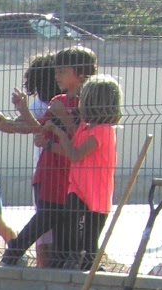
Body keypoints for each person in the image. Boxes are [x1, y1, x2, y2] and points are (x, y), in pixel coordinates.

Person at [0, 45, 97, 268]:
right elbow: (40, 128)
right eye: (56, 71)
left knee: (61, 226)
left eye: (62, 71)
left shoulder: (89, 105)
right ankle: (13, 256)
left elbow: (80, 141)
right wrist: (23, 112)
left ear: (81, 74)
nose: (57, 76)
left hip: (73, 177)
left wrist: (59, 123)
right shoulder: (58, 101)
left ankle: (69, 264)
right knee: (47, 218)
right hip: (51, 172)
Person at [41, 74, 121, 270]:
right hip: (77, 187)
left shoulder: (103, 130)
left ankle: (89, 264)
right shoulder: (84, 128)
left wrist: (59, 133)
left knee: (90, 237)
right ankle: (72, 257)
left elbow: (76, 154)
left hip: (96, 192)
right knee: (70, 220)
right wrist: (51, 144)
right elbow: (72, 151)